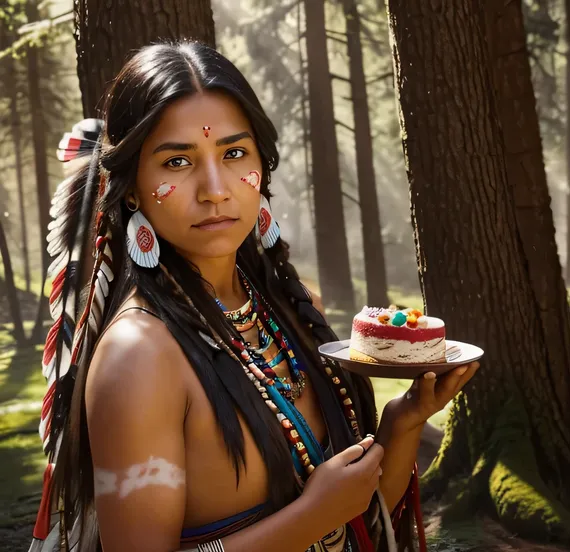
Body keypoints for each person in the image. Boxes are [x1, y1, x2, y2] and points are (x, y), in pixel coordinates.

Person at [29, 42, 479, 552]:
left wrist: (400, 427)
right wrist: (309, 516)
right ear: (132, 187)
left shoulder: (293, 306)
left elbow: (355, 521)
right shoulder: (139, 355)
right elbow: (322, 519)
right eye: (178, 161)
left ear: (261, 167)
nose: (215, 188)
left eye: (234, 153)